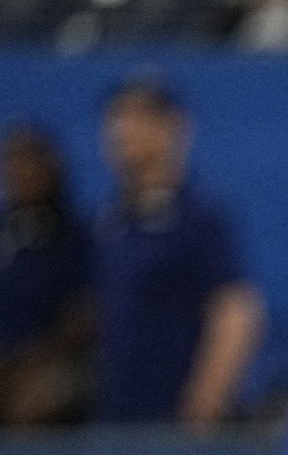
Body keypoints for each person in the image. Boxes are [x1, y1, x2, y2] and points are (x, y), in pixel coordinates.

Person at [94, 78, 265, 427]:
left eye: (139, 118)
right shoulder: (109, 223)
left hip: (175, 421)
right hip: (116, 417)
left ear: (174, 128)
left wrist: (207, 398)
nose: (123, 131)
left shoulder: (199, 222)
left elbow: (236, 312)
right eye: (117, 119)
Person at [0, 124, 92, 426]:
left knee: (40, 396)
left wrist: (33, 360)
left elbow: (84, 315)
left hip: (54, 362)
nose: (20, 173)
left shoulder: (75, 236)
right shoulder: (7, 231)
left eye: (29, 163)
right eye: (12, 164)